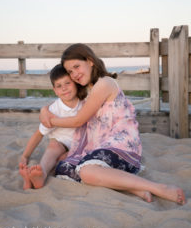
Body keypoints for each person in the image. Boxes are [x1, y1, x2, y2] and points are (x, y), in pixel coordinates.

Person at [40, 43, 186, 205]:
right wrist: (45, 110)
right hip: (100, 145)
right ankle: (132, 187)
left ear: (90, 61)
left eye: (77, 66)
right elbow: (64, 105)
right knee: (63, 166)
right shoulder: (87, 91)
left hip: (120, 144)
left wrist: (50, 120)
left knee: (87, 172)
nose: (74, 74)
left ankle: (158, 187)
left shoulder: (105, 83)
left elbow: (78, 120)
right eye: (70, 71)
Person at [19, 64, 86, 190]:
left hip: (78, 146)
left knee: (61, 161)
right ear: (55, 90)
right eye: (59, 86)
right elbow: (39, 134)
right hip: (60, 141)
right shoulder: (53, 110)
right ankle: (41, 172)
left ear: (76, 83)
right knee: (53, 149)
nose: (64, 88)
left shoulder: (85, 103)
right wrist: (25, 156)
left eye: (67, 83)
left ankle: (34, 180)